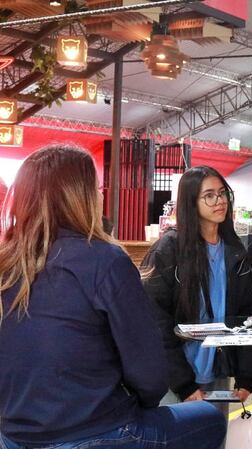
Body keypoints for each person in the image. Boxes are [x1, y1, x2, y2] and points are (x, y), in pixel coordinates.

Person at [0, 145, 225, 449]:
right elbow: (150, 376)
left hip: (12, 435)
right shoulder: (105, 260)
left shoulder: (7, 263)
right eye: (96, 188)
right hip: (95, 432)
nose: (102, 196)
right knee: (210, 419)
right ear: (81, 198)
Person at [142, 166, 252, 407]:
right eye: (209, 195)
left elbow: (245, 316)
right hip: (176, 379)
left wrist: (246, 375)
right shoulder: (169, 250)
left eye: (223, 193)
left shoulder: (234, 251)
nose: (220, 201)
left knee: (216, 440)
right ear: (190, 202)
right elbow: (154, 321)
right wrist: (183, 383)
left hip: (218, 371)